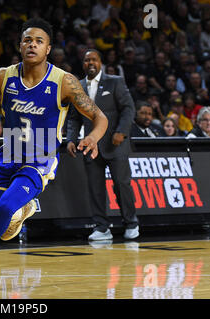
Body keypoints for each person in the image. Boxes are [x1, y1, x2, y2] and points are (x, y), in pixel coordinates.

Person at [0, 18, 108, 291]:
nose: (32, 44)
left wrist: (92, 137)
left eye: (39, 41)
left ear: (48, 48)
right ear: (20, 46)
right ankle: (23, 208)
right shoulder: (4, 76)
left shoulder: (64, 81)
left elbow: (99, 117)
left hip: (40, 158)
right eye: (27, 40)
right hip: (8, 153)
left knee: (5, 207)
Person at [67, 49, 138, 242]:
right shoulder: (78, 87)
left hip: (116, 144)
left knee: (122, 185)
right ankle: (101, 227)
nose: (90, 63)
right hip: (91, 145)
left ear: (101, 63)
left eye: (94, 59)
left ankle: (131, 223)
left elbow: (128, 109)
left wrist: (121, 132)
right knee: (95, 188)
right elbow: (74, 118)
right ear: (83, 64)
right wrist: (71, 139)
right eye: (86, 60)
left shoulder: (115, 82)